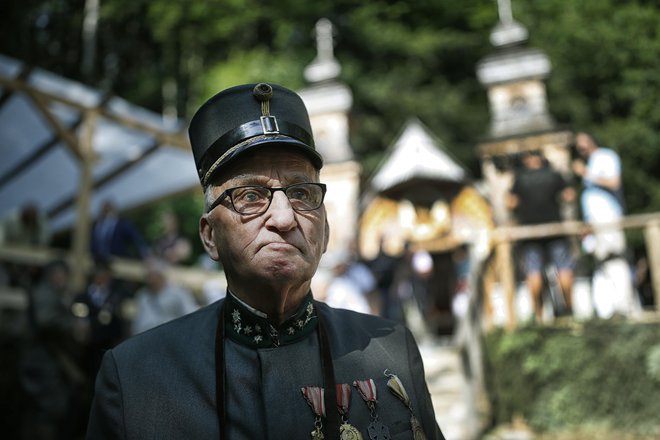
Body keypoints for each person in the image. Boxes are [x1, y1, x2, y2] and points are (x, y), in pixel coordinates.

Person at [86, 83, 444, 439]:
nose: (285, 218)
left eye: (301, 193)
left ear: (326, 231)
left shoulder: (391, 350)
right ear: (209, 236)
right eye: (251, 195)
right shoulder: (136, 377)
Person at [507, 150, 576, 322]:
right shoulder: (554, 175)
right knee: (564, 269)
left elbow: (511, 202)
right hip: (555, 228)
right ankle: (569, 310)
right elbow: (569, 195)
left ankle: (538, 316)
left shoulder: (520, 178)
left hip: (530, 232)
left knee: (533, 272)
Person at [130, 259, 198, 335]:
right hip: (145, 339)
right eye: (148, 275)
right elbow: (138, 322)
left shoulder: (178, 293)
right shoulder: (142, 295)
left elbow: (190, 317)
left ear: (161, 275)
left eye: (152, 275)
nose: (149, 279)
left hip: (170, 337)